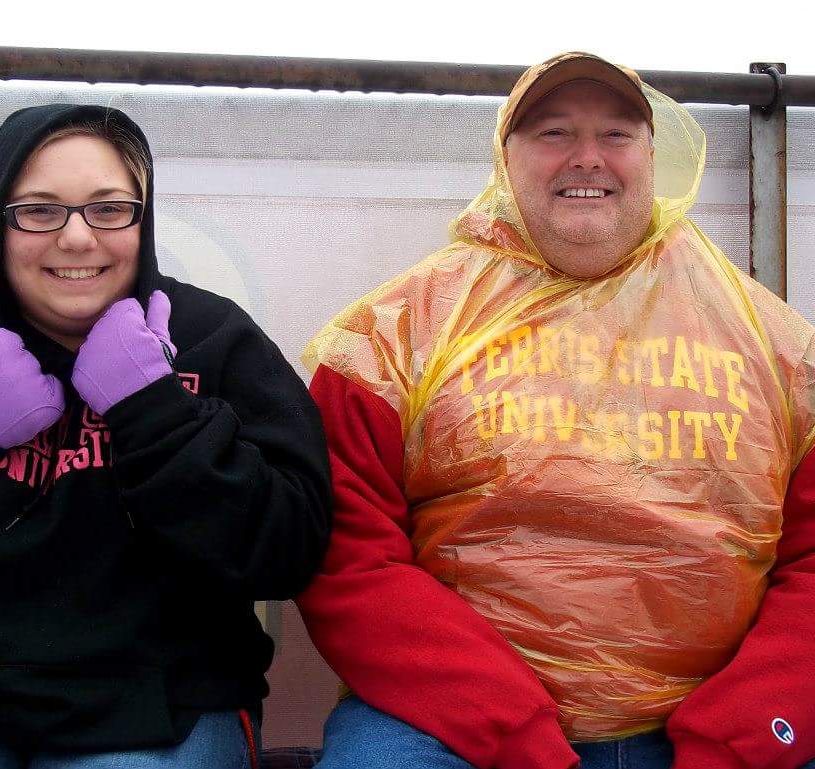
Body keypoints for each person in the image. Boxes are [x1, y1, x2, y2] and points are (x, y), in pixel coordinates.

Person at [297, 52, 815, 769]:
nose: (587, 158)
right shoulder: (392, 333)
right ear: (503, 159)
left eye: (615, 134)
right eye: (553, 133)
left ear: (652, 155)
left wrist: (738, 734)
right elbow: (347, 557)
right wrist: (509, 728)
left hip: (719, 720)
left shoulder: (774, 342)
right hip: (456, 721)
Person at [0, 103, 331, 768]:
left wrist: (154, 408)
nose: (77, 237)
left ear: (145, 218)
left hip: (162, 705)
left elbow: (288, 551)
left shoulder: (216, 343)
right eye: (40, 209)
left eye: (108, 208)